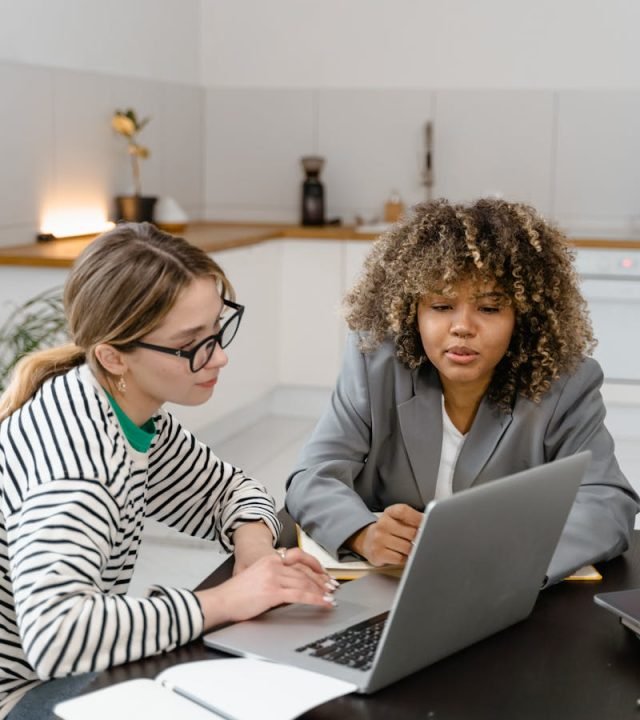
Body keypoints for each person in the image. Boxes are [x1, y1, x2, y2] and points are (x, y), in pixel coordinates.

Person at [0, 223, 337, 719]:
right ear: (114, 356)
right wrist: (223, 602)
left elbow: (231, 490)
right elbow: (56, 635)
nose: (219, 356)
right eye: (192, 344)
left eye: (218, 330)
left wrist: (255, 557)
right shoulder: (77, 468)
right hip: (21, 694)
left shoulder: (128, 414)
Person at [286, 197, 639, 586]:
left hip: (501, 600)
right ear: (411, 311)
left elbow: (607, 503)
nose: (462, 327)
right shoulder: (376, 363)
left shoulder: (564, 382)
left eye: (489, 308)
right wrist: (362, 533)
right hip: (386, 590)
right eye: (441, 305)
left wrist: (512, 560)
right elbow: (312, 476)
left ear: (522, 317)